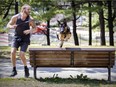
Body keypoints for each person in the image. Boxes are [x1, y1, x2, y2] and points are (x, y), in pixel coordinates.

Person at [7, 4, 36, 77]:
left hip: (25, 39)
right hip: (16, 37)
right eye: (28, 9)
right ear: (23, 9)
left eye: (30, 9)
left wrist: (29, 31)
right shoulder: (15, 17)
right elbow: (8, 25)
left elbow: (35, 28)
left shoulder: (30, 19)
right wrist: (12, 26)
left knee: (21, 54)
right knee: (12, 52)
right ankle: (14, 70)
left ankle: (26, 69)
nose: (29, 11)